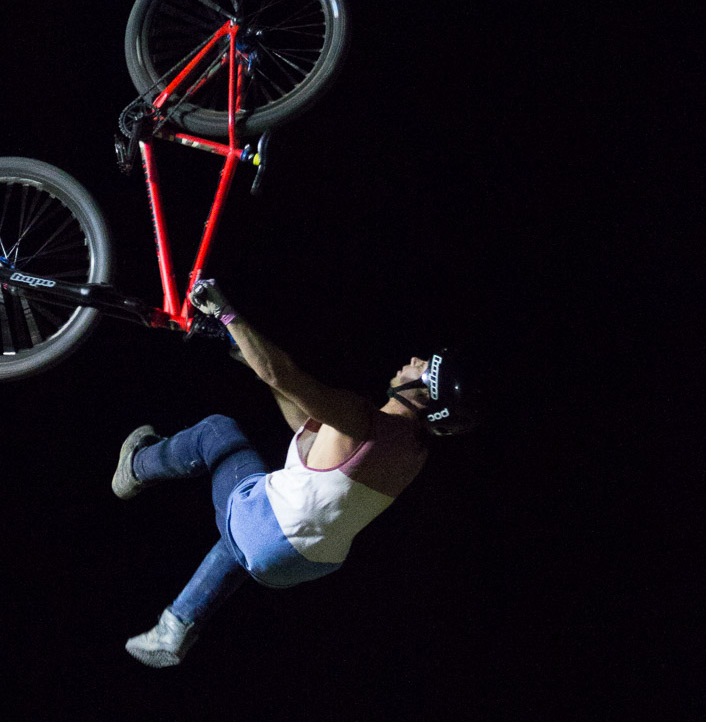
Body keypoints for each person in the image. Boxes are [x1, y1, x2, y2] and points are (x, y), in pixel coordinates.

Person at [115, 279, 478, 667]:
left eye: (423, 366)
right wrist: (247, 356)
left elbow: (282, 373)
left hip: (271, 533)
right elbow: (305, 426)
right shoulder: (410, 452)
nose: (414, 360)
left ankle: (135, 466)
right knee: (246, 532)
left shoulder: (366, 421)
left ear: (426, 391)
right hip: (303, 565)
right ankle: (175, 626)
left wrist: (227, 314)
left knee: (216, 432)